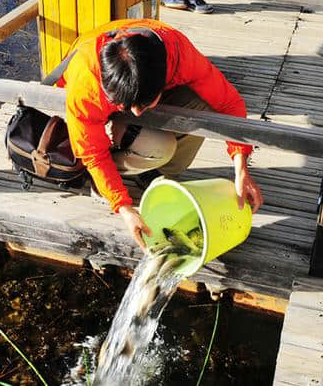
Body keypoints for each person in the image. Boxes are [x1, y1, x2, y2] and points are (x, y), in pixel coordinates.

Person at [55, 18, 263, 250]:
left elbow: (229, 104)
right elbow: (92, 152)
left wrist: (241, 167)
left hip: (131, 92)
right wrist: (123, 207)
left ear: (163, 81)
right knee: (157, 147)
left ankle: (154, 173)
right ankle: (104, 178)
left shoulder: (179, 55)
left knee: (203, 106)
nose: (135, 112)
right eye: (129, 108)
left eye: (142, 105)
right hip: (96, 108)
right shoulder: (86, 83)